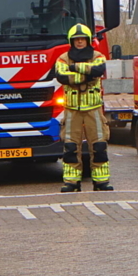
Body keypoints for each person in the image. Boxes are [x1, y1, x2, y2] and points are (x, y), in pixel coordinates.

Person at [54, 24, 112, 193]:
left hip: (94, 109)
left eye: (82, 39)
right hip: (72, 110)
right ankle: (71, 182)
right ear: (71, 41)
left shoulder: (98, 56)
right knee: (71, 148)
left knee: (99, 146)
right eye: (76, 39)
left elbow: (98, 70)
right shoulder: (62, 58)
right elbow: (62, 76)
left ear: (88, 40)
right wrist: (87, 75)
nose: (79, 42)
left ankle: (101, 182)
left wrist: (74, 68)